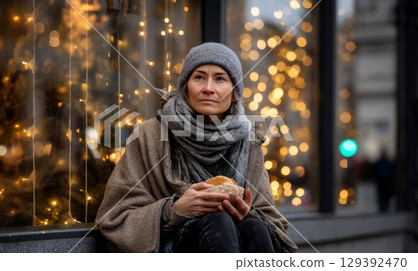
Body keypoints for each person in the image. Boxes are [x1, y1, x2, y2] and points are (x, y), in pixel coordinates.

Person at [96, 42, 298, 253]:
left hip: (236, 242)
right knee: (218, 222)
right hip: (173, 248)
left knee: (255, 227)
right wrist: (173, 210)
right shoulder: (150, 135)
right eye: (199, 77)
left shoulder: (248, 141)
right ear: (186, 87)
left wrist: (246, 212)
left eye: (220, 79)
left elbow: (273, 222)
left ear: (235, 92)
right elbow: (114, 217)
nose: (208, 88)